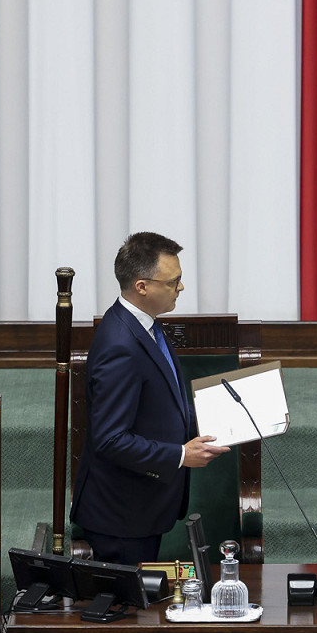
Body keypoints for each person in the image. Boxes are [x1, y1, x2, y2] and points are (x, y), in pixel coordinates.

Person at [72, 232, 226, 565]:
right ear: (141, 286)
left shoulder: (144, 325)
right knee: (127, 598)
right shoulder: (120, 345)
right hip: (121, 516)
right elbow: (110, 439)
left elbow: (161, 402)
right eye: (173, 282)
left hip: (140, 507)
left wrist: (222, 416)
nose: (180, 287)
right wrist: (181, 455)